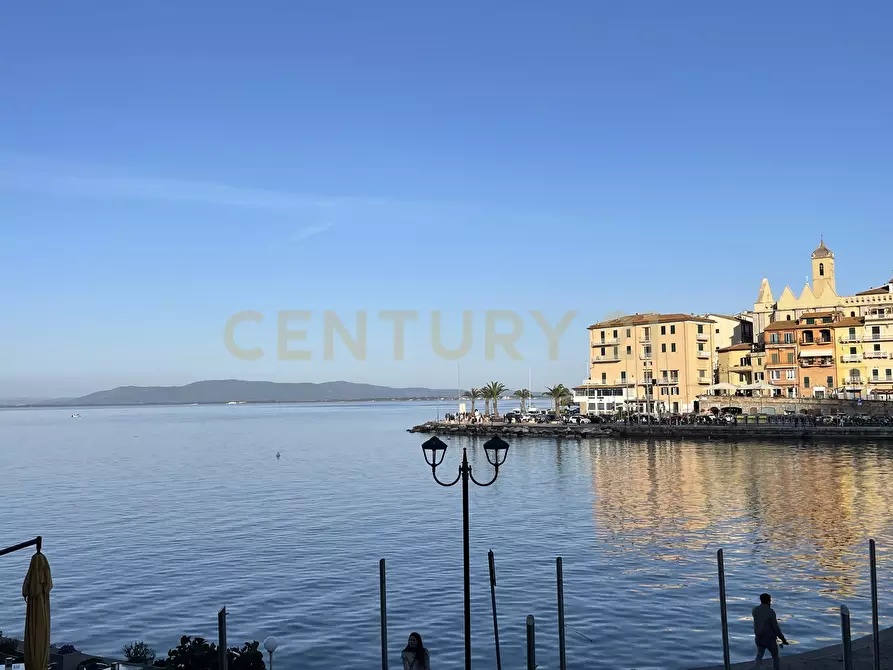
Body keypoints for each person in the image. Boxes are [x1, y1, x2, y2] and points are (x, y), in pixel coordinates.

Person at [753, 593, 787, 669]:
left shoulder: (755, 610)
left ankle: (756, 667)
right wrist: (783, 639)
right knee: (775, 656)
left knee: (759, 654)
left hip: (759, 638)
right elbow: (776, 628)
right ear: (769, 601)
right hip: (769, 639)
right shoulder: (771, 612)